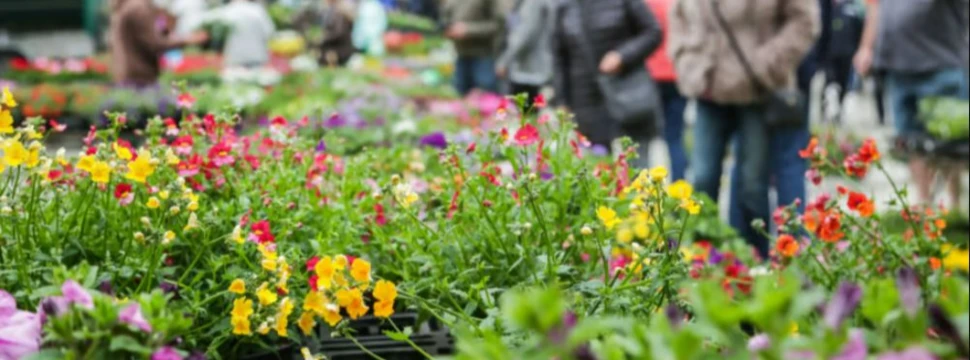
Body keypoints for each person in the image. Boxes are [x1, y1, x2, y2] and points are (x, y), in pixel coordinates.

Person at [670, 0, 818, 259]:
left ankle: (752, 261)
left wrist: (765, 62)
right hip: (708, 87)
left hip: (757, 91)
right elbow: (679, 17)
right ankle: (702, 257)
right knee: (702, 178)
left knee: (752, 186)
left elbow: (805, 22)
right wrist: (686, 59)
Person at [853, 0, 969, 206]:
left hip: (940, 65)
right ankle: (923, 205)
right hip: (898, 68)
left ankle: (954, 205)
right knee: (910, 141)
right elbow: (876, 9)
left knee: (951, 144)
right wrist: (866, 48)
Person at [553, 0, 662, 168]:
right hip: (586, 99)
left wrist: (622, 56)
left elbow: (653, 32)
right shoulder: (564, 6)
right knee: (598, 170)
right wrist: (562, 101)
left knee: (638, 169)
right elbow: (560, 58)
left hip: (629, 93)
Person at [109, 0, 207, 86]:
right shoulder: (139, 7)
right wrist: (189, 39)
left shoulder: (130, 4)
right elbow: (154, 43)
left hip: (128, 73)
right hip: (139, 76)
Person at [644, 0, 686, 181]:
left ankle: (643, 190)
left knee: (645, 139)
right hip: (677, 75)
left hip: (650, 77)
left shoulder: (645, 4)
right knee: (675, 137)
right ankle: (679, 186)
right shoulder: (679, 4)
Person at [496, 0, 555, 106]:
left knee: (528, 114)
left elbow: (524, 36)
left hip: (531, 70)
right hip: (526, 69)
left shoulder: (532, 3)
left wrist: (504, 61)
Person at [442, 0, 505, 95]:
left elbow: (498, 25)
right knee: (460, 100)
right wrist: (448, 29)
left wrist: (469, 30)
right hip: (461, 55)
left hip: (483, 57)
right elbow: (447, 18)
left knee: (486, 101)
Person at [207, 0, 276, 68]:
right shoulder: (258, 10)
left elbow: (215, 34)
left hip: (233, 58)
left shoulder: (225, 12)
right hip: (256, 56)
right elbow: (269, 32)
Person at [296, 0, 356, 66]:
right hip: (330, 45)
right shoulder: (325, 10)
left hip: (339, 48)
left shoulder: (340, 11)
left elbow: (338, 32)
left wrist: (322, 38)